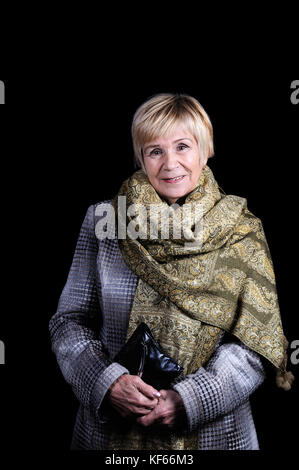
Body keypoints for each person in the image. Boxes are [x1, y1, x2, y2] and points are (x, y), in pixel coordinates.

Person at [49, 93, 293, 450]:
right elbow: (69, 322)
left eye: (182, 146)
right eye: (155, 151)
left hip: (217, 438)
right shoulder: (106, 221)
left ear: (205, 150)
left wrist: (190, 400)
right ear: (141, 158)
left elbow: (257, 342)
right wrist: (107, 382)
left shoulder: (241, 231)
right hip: (106, 438)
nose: (170, 164)